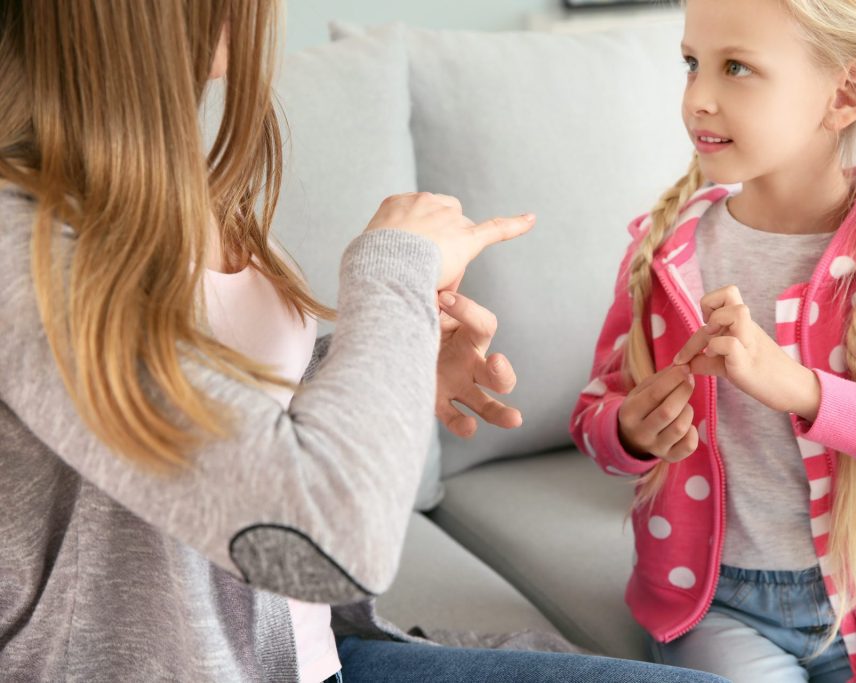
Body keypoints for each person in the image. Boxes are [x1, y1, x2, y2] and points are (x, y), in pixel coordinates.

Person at [0, 2, 729, 682]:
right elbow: (322, 543)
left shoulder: (167, 176)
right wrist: (395, 270)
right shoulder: (21, 254)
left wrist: (395, 361)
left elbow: (214, 415)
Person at [570, 0, 856, 681]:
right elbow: (593, 417)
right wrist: (629, 432)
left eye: (737, 68)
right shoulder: (663, 254)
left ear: (844, 93)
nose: (699, 98)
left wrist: (807, 391)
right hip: (714, 606)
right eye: (692, 64)